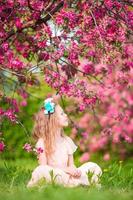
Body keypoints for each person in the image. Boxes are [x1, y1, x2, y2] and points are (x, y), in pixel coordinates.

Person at [27, 95, 102, 188]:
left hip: (68, 176)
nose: (66, 115)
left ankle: (75, 182)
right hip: (56, 175)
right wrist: (66, 170)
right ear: (52, 119)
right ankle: (76, 184)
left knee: (92, 166)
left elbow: (71, 164)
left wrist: (75, 171)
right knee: (41, 171)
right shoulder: (42, 142)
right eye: (62, 114)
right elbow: (44, 166)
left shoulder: (67, 141)